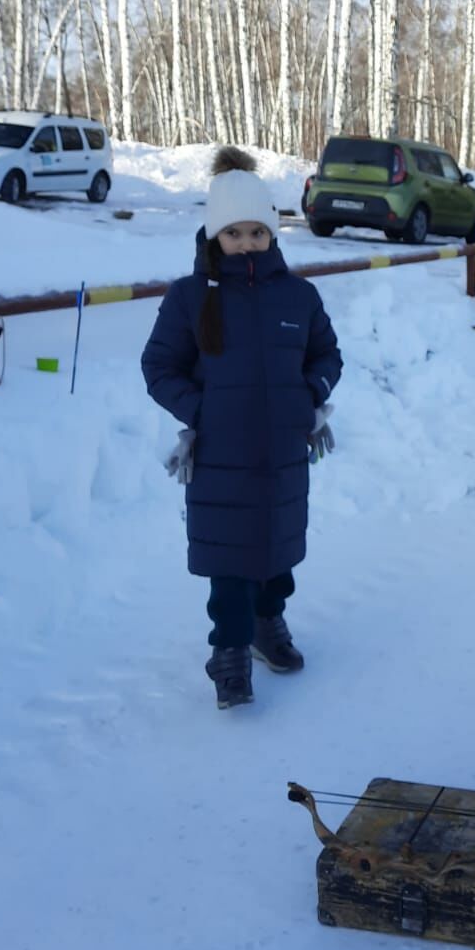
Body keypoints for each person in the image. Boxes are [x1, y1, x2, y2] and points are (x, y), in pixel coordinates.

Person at [141, 147, 342, 709]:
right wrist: (199, 410)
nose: (247, 243)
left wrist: (310, 397)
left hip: (282, 454)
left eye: (258, 231)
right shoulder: (188, 297)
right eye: (234, 233)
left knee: (278, 552)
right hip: (220, 458)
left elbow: (327, 356)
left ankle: (267, 624)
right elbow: (158, 367)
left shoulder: (298, 297)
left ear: (273, 234)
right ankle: (228, 651)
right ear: (214, 237)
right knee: (229, 562)